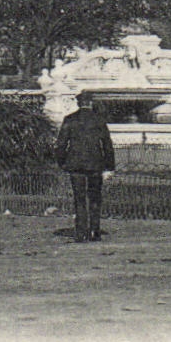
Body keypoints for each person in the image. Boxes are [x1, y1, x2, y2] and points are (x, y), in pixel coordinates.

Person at [53, 91, 114, 242]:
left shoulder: (70, 119)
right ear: (91, 103)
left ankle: (81, 232)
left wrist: (62, 162)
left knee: (79, 199)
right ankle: (94, 231)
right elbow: (107, 145)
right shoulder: (99, 120)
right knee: (94, 198)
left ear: (78, 103)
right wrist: (109, 166)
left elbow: (60, 145)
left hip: (76, 164)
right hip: (95, 164)